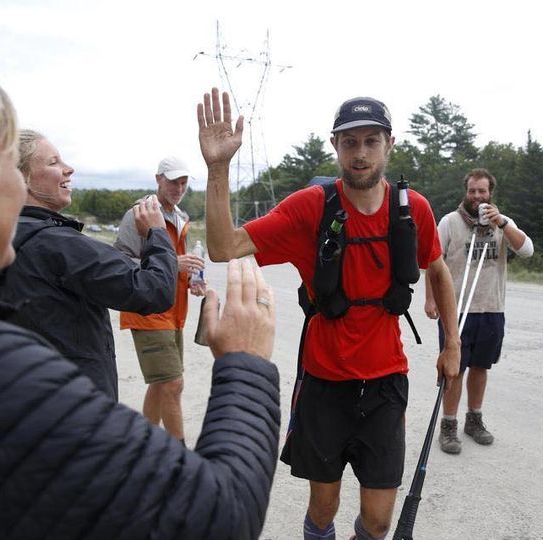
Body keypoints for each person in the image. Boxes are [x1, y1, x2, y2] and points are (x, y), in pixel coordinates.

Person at [0, 38, 281, 540]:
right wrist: (246, 364)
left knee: (164, 387)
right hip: (143, 327)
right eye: (7, 160)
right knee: (171, 385)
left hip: (163, 327)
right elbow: (216, 517)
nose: (68, 169)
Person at [197, 88, 461, 540]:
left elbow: (437, 268)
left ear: (390, 143)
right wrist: (218, 168)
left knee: (379, 520)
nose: (360, 154)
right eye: (350, 142)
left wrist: (452, 344)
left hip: (385, 383)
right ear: (335, 145)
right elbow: (224, 246)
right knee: (323, 506)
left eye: (371, 141)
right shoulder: (310, 208)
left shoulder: (411, 209)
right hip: (324, 382)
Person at [0, 129, 179, 401]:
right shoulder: (59, 244)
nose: (69, 169)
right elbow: (154, 290)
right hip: (78, 404)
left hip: (19, 397)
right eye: (54, 163)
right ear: (22, 179)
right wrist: (156, 233)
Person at [424, 168, 534, 454]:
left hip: (491, 307)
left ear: (490, 193)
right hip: (456, 310)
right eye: (472, 190)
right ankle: (448, 425)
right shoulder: (450, 222)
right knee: (454, 370)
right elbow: (432, 262)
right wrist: (430, 300)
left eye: (482, 191)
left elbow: (527, 250)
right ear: (466, 191)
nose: (477, 196)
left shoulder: (503, 224)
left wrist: (504, 223)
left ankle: (474, 420)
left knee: (481, 367)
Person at [114, 156, 206, 445]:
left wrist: (192, 278)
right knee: (173, 384)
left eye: (184, 183)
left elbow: (178, 261)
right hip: (147, 308)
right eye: (173, 182)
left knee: (161, 383)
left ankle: (142, 446)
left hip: (174, 310)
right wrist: (171, 263)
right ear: (158, 180)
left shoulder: (181, 217)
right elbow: (121, 262)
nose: (179, 188)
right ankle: (178, 457)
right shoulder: (140, 214)